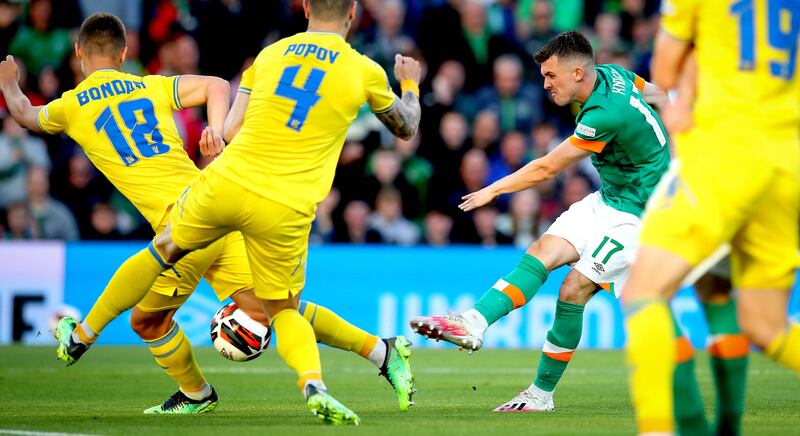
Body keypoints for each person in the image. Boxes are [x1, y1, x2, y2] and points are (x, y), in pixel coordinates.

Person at [0, 12, 415, 417]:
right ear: (125, 53)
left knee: (147, 320)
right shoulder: (150, 87)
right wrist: (213, 130)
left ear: (77, 51)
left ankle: (180, 385)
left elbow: (24, 113)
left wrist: (9, 84)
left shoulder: (69, 106)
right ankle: (381, 350)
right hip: (214, 198)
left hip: (181, 218)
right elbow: (217, 85)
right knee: (275, 307)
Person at [410, 31, 671, 412]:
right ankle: (473, 323)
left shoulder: (604, 114)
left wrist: (494, 190)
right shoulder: (615, 74)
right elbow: (658, 95)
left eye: (552, 76)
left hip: (640, 213)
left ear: (578, 72)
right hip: (611, 197)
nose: (546, 84)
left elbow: (547, 167)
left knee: (573, 289)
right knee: (540, 252)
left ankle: (540, 395)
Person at [622, 0, 800, 432]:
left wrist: (681, 93)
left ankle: (662, 428)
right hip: (786, 162)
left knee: (641, 293)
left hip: (722, 155)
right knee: (767, 325)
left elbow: (662, 71)